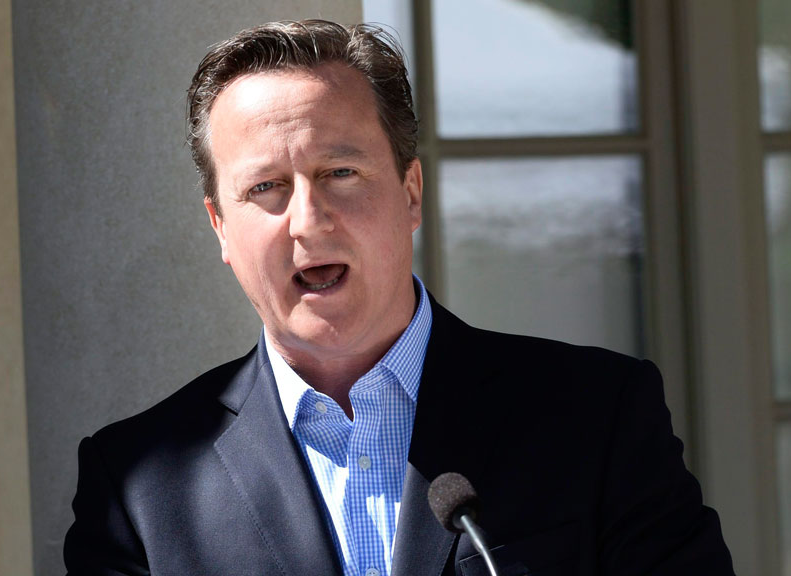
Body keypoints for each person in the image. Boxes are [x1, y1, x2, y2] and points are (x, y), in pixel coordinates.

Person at [63, 19, 735, 576]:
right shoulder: (137, 491)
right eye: (265, 188)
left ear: (410, 194)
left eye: (341, 172)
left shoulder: (598, 416)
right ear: (220, 227)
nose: (307, 219)